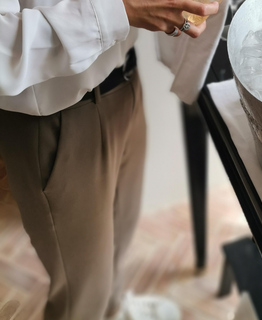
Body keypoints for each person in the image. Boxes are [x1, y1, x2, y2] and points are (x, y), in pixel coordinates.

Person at [0, 0, 220, 319]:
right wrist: (119, 11)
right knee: (81, 294)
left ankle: (115, 310)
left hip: (125, 78)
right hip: (57, 117)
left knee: (121, 235)